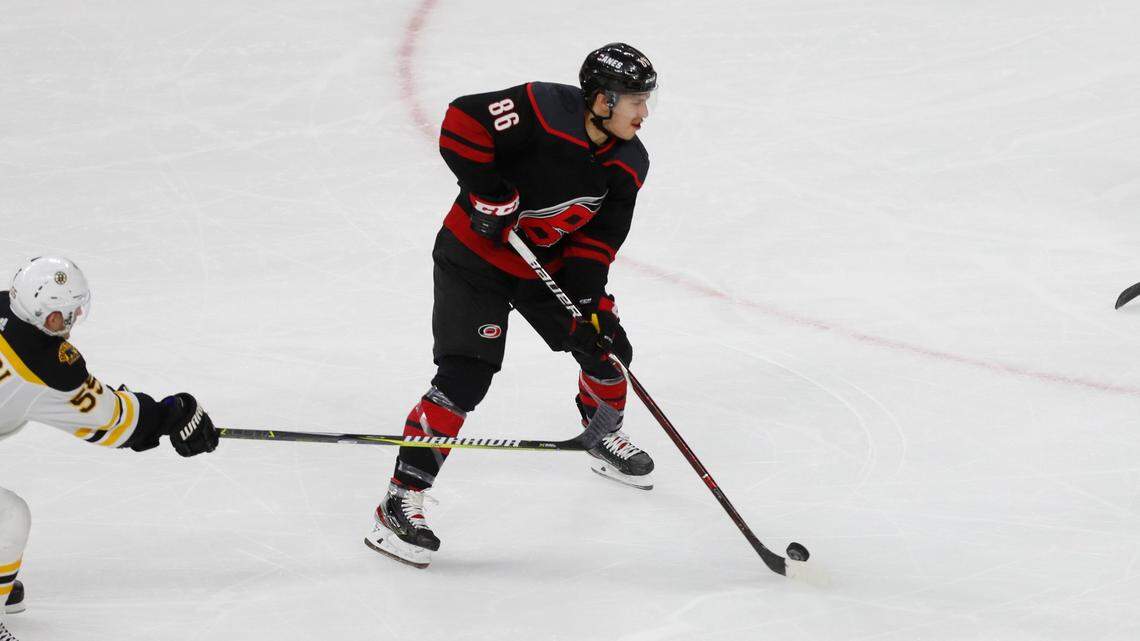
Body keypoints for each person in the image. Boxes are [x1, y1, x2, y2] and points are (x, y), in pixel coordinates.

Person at [365, 43, 659, 568]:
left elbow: (599, 241)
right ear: (600, 99)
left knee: (610, 353)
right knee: (465, 375)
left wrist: (590, 305)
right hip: (473, 259)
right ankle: (400, 500)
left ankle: (601, 435)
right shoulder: (543, 109)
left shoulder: (629, 164)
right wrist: (490, 193)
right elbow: (461, 123)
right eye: (634, 100)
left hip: (541, 266)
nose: (644, 113)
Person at [0, 256, 218, 641]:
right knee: (9, 519)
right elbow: (114, 422)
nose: (68, 324)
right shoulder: (44, 367)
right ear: (40, 313)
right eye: (61, 316)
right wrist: (171, 414)